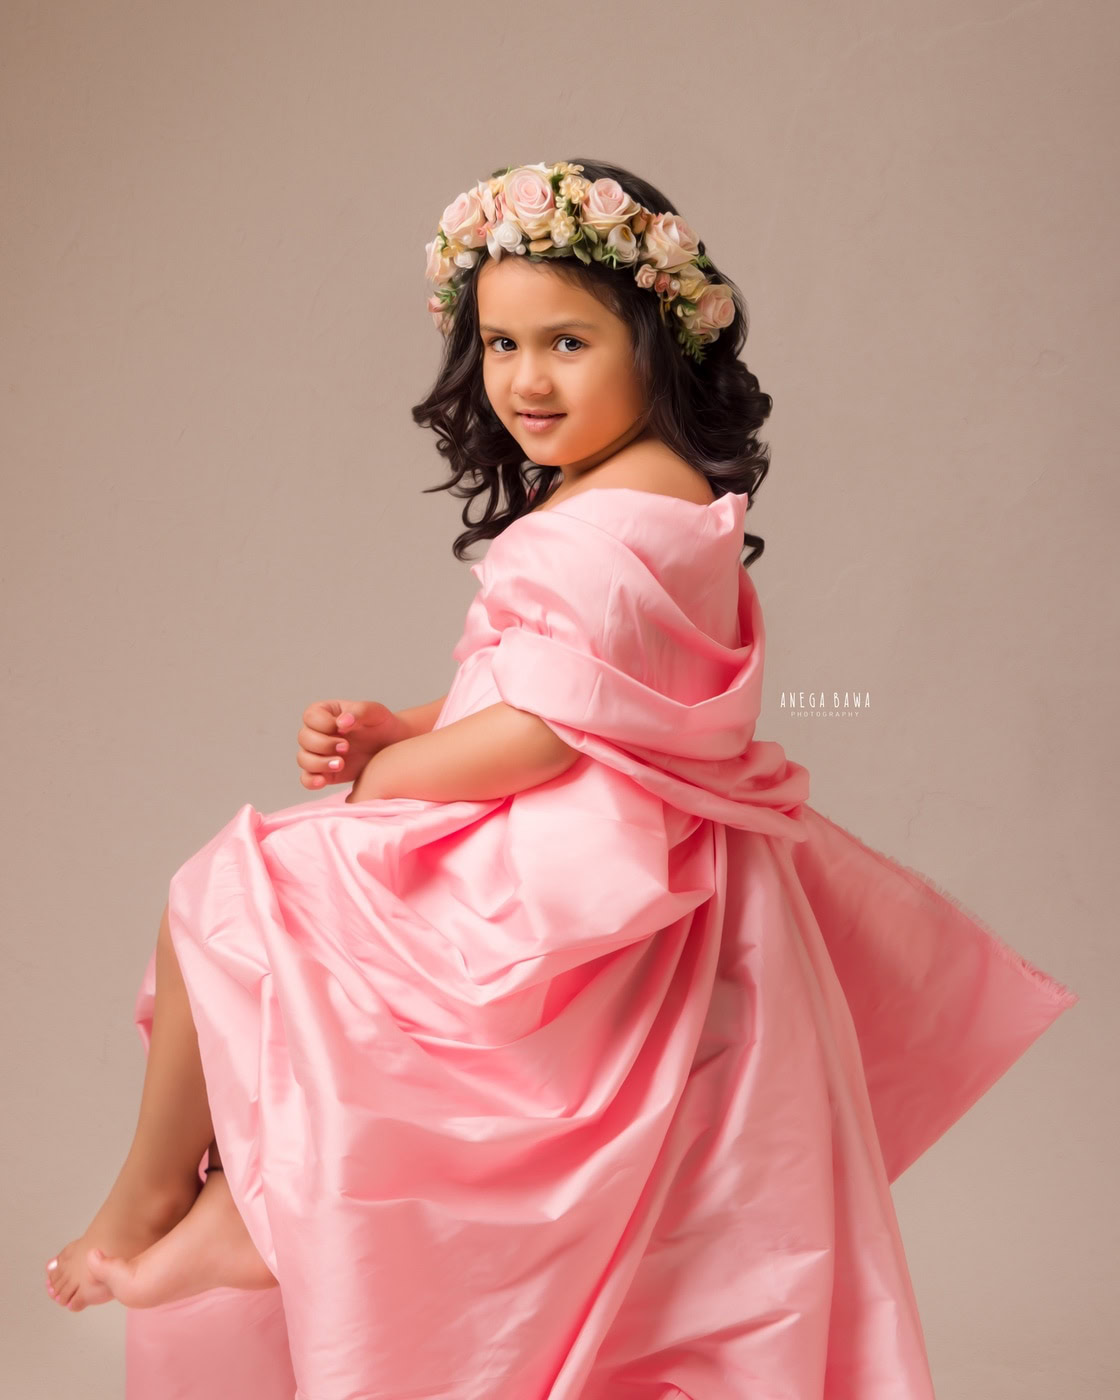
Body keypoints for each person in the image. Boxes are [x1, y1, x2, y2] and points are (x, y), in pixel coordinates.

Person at [45, 159, 1078, 1398]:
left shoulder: (618, 508)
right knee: (293, 949)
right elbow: (578, 680)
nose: (526, 379)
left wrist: (390, 777)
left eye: (568, 342)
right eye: (499, 344)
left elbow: (539, 731)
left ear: (655, 343)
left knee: (227, 894)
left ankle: (187, 1194)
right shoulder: (651, 493)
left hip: (570, 868)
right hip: (642, 857)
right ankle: (251, 1201)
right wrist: (404, 718)